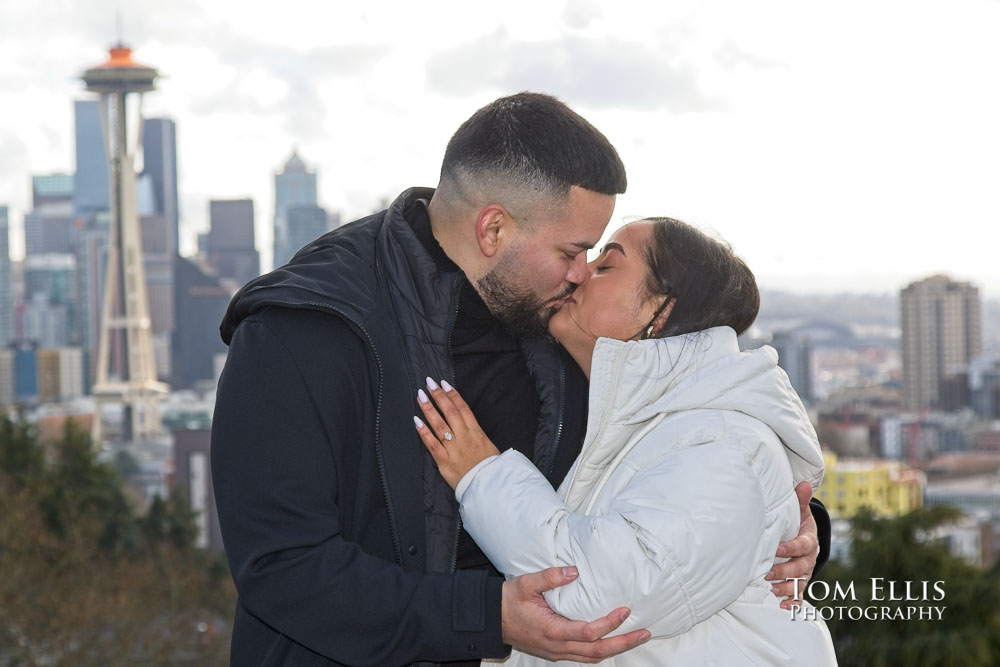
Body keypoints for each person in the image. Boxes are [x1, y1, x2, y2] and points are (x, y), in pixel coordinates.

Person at [211, 93, 830, 666]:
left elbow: (663, 479)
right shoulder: (305, 330)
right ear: (494, 229)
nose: (583, 273)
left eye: (595, 256)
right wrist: (487, 618)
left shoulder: (563, 331)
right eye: (572, 252)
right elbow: (283, 568)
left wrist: (793, 532)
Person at [413, 217, 839, 665]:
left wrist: (483, 476)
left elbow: (597, 599)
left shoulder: (727, 443)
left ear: (661, 310)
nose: (579, 272)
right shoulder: (620, 412)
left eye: (604, 266)